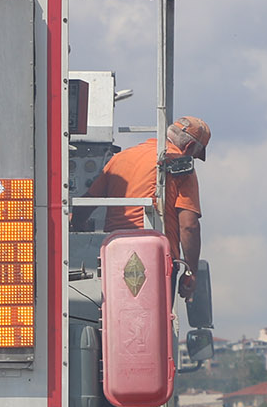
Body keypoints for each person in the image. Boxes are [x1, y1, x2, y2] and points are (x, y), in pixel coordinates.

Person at [85, 115, 208, 300]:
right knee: (152, 323)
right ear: (189, 147)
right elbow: (188, 226)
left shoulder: (121, 158)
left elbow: (86, 204)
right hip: (155, 257)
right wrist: (191, 272)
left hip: (113, 253)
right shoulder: (180, 165)